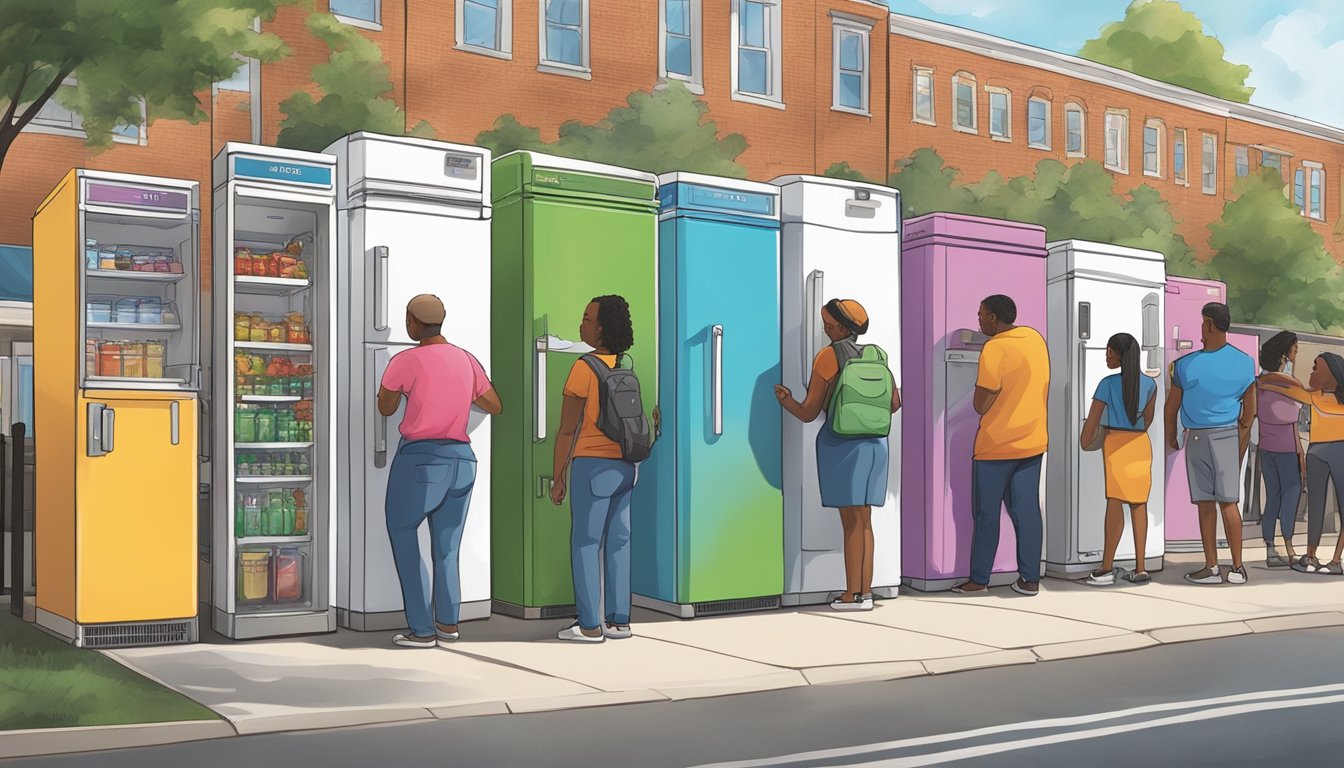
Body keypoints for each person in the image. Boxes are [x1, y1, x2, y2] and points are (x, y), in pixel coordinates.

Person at [378, 294, 502, 648]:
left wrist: (404, 393)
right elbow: (494, 404)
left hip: (422, 460)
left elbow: (386, 408)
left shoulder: (406, 360)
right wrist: (457, 394)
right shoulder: (465, 359)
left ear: (413, 322)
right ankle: (448, 625)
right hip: (463, 462)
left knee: (403, 535)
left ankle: (421, 630)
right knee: (447, 549)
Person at [776, 299, 901, 611]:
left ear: (843, 328)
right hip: (876, 446)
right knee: (865, 521)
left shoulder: (828, 357)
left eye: (829, 325)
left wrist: (786, 400)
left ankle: (851, 595)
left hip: (842, 445)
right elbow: (895, 403)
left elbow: (808, 413)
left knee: (850, 523)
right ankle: (866, 591)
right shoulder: (877, 356)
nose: (824, 329)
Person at [550, 295, 659, 641]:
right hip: (626, 467)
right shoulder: (625, 365)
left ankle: (588, 626)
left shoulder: (584, 368)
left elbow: (568, 429)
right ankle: (619, 621)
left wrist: (558, 476)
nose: (581, 324)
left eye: (586, 318)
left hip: (592, 467)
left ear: (600, 328)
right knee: (619, 542)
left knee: (585, 542)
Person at [953, 295, 1049, 597]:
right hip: (1033, 441)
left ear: (994, 318)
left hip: (996, 445)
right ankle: (1030, 579)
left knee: (986, 514)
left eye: (982, 315)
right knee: (1028, 511)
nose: (979, 320)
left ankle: (978, 580)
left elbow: (982, 402)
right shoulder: (1034, 338)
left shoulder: (994, 348)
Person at [1165, 302, 1256, 585]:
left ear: (1209, 324)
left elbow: (1171, 409)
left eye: (1204, 322)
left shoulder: (1184, 365)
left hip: (1196, 436)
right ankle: (1237, 568)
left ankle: (1212, 567)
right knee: (1229, 503)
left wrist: (1171, 435)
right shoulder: (1245, 363)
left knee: (1206, 503)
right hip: (1227, 434)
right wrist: (1240, 440)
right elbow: (1249, 412)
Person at [1080, 333, 1158, 586]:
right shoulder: (1150, 385)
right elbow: (1147, 421)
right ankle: (1141, 568)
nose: (1107, 356)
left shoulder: (1107, 384)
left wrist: (1085, 441)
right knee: (1139, 504)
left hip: (1116, 445)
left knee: (1114, 503)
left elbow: (1091, 423)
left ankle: (1105, 568)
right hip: (1140, 446)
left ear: (1121, 355)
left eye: (1110, 352)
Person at [1260, 352, 1344, 575]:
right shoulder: (1313, 395)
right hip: (1316, 453)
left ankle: (1336, 560)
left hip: (1339, 451)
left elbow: (1287, 389)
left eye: (1316, 368)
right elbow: (1287, 388)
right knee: (1315, 506)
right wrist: (1266, 379)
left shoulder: (1319, 396)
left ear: (1331, 373)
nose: (1312, 371)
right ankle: (1311, 555)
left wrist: (1266, 380)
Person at [1254, 331, 1305, 568]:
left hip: (1266, 446)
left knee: (1272, 496)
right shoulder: (1291, 384)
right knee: (1291, 494)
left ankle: (1270, 549)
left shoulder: (1258, 383)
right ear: (1285, 355)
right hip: (1286, 447)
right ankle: (1289, 546)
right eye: (1294, 350)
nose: (1296, 354)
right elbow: (1293, 417)